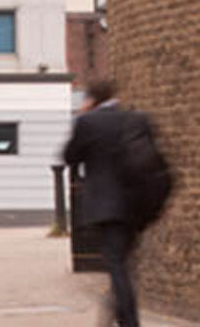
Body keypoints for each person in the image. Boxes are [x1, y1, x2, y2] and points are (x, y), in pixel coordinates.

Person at [62, 78, 158, 327]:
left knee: (117, 265)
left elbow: (69, 156)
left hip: (106, 208)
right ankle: (118, 310)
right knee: (123, 263)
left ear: (91, 99)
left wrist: (81, 118)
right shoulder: (135, 119)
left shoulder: (88, 122)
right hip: (136, 206)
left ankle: (129, 320)